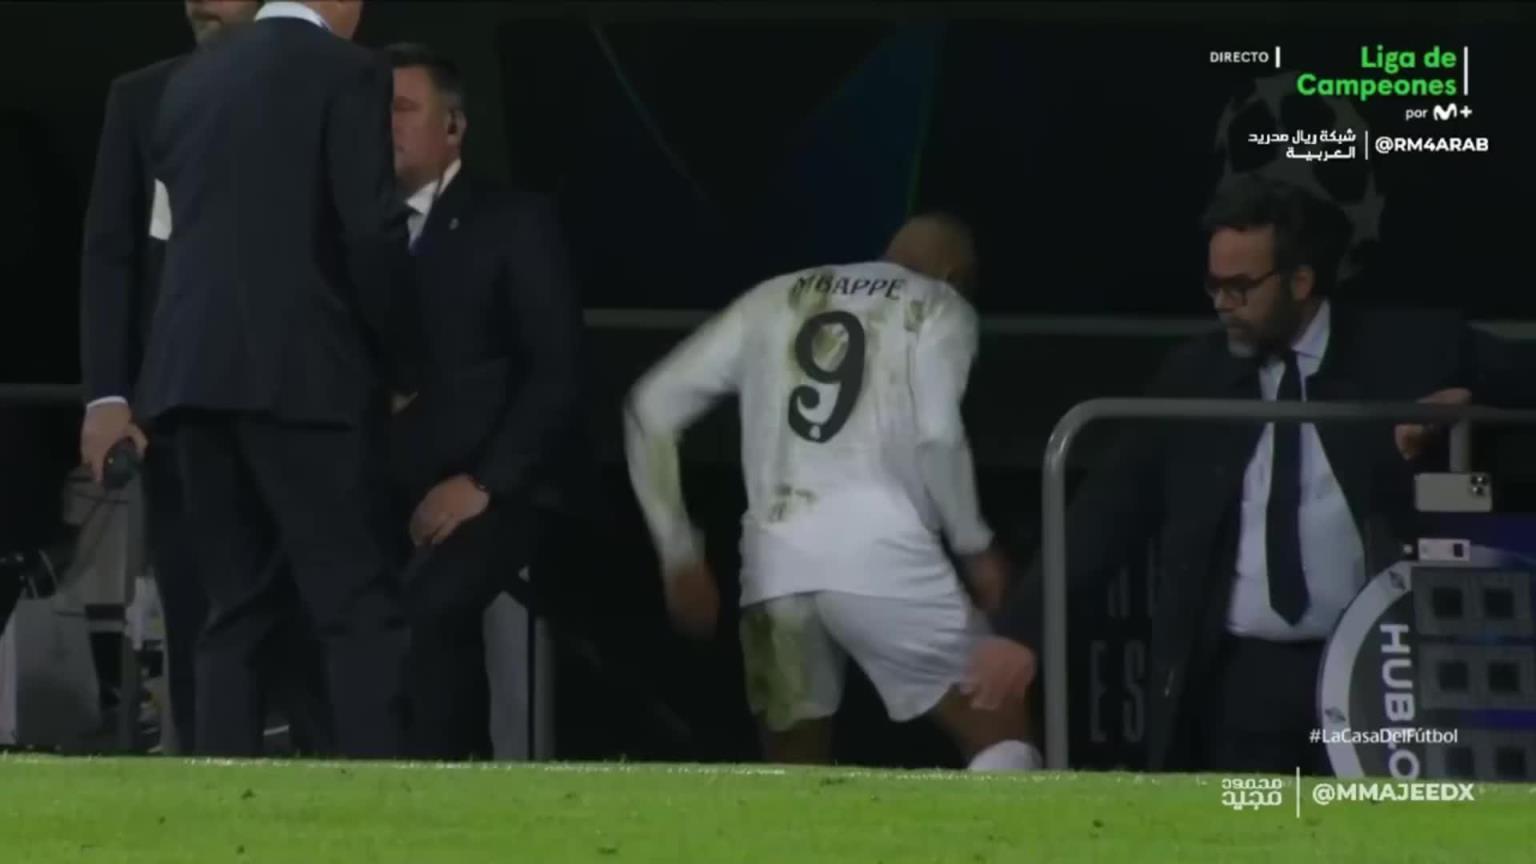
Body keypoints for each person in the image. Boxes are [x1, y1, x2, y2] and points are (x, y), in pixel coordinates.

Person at [976, 174, 1530, 773]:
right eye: (1213, 285)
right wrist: (1025, 629)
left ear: (1300, 281)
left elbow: (1524, 378)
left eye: (1240, 287)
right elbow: (1107, 511)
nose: (1222, 304)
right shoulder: (1194, 377)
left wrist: (1471, 403)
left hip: (1380, 668)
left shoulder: (1410, 348)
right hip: (1241, 679)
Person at [624, 215, 1040, 771]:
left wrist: (678, 552)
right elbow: (939, 435)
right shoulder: (939, 304)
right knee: (1001, 720)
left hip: (776, 562)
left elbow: (649, 408)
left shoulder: (772, 297)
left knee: (793, 767)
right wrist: (974, 546)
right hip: (880, 554)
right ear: (955, 274)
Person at [138, 0, 415, 758]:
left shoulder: (191, 81)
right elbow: (370, 230)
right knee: (355, 605)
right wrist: (401, 361)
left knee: (235, 609)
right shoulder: (348, 70)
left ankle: (221, 795)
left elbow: (177, 233)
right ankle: (381, 799)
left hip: (192, 374)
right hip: (302, 373)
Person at [78, 0, 284, 755]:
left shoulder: (327, 85)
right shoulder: (142, 96)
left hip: (303, 394)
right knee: (197, 601)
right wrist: (108, 395)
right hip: (178, 402)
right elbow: (111, 253)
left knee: (318, 601)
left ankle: (327, 771)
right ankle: (212, 767)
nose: (201, 2)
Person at [382, 43, 581, 760]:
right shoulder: (351, 228)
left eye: (402, 109)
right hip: (378, 485)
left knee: (426, 615)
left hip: (496, 486)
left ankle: (448, 784)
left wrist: (484, 483)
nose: (385, 126)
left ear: (454, 126)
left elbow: (556, 370)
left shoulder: (514, 220)